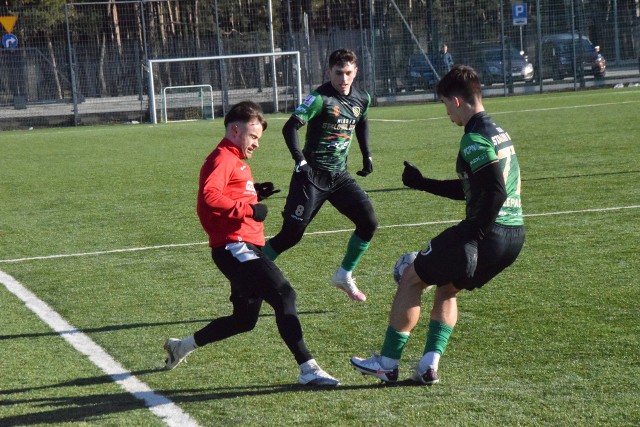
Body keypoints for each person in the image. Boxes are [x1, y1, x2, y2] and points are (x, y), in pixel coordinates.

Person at [350, 65, 525, 385]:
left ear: (457, 101)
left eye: (445, 104)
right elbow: (477, 189)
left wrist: (473, 237)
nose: (446, 113)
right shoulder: (499, 132)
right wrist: (423, 183)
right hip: (513, 238)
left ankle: (387, 363)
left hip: (488, 232)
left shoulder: (474, 138)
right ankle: (429, 366)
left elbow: (495, 193)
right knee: (447, 288)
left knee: (411, 276)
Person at [163, 101, 339, 387]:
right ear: (235, 130)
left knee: (244, 320)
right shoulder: (222, 158)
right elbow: (209, 197)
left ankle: (181, 347)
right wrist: (248, 210)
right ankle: (308, 368)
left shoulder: (234, 161)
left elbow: (226, 194)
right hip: (235, 247)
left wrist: (253, 194)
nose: (257, 144)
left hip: (242, 247)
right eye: (253, 136)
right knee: (284, 294)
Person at [261, 48, 378, 302]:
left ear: (355, 72)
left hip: (340, 176)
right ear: (329, 72)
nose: (343, 79)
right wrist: (300, 160)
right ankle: (251, 272)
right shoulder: (318, 98)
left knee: (369, 222)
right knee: (291, 236)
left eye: (348, 73)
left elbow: (362, 123)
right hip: (311, 176)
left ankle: (344, 274)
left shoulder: (362, 98)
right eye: (338, 73)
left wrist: (367, 155)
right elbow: (289, 127)